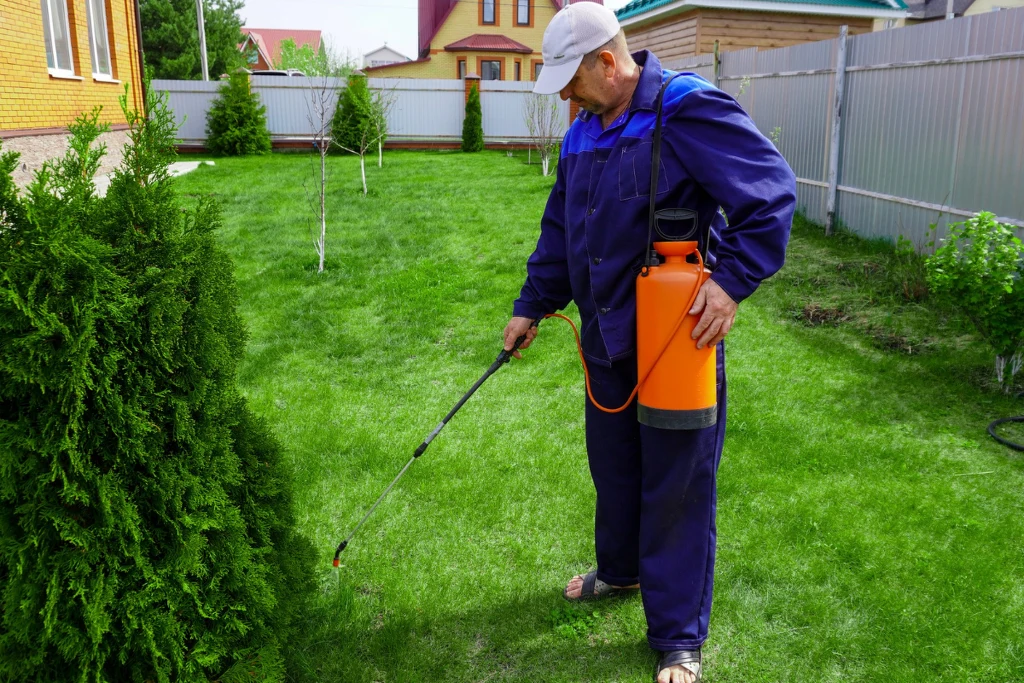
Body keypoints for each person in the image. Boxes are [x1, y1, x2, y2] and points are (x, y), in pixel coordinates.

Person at [501, 4, 796, 682]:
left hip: (674, 339)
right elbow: (560, 231)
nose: (566, 98)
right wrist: (530, 306)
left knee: (678, 487)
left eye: (571, 81)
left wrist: (732, 281)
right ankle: (621, 571)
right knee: (616, 470)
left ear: (608, 62)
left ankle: (677, 638)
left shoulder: (685, 109)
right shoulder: (583, 130)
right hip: (606, 335)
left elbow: (771, 191)